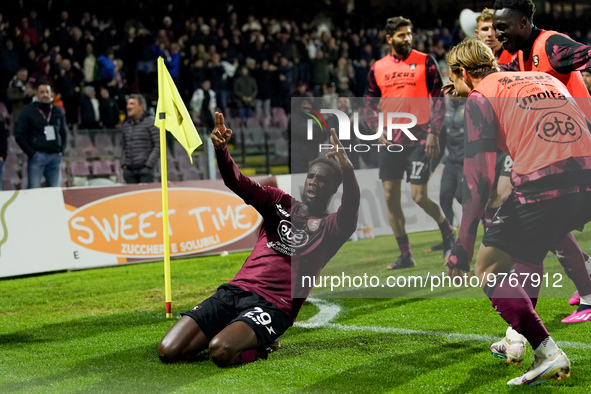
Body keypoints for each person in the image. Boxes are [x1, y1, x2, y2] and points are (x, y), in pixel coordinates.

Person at [158, 112, 360, 367]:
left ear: (333, 188)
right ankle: (229, 329)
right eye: (311, 176)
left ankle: (266, 343)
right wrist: (222, 150)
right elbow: (238, 182)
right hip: (235, 291)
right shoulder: (279, 202)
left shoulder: (332, 227)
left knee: (221, 352)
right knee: (168, 351)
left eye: (322, 179)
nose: (314, 182)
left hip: (274, 305)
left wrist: (347, 168)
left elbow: (351, 205)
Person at [445, 37, 591, 386]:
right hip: (586, 175)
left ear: (463, 73)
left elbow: (478, 178)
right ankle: (517, 336)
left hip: (546, 182)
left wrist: (462, 248)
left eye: (455, 78)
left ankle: (547, 351)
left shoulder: (481, 97)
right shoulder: (544, 77)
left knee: (488, 267)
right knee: (534, 248)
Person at [364, 16, 454, 269]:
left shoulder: (426, 61)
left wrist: (434, 133)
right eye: (401, 35)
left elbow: (439, 99)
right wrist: (376, 130)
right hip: (391, 140)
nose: (407, 38)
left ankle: (448, 232)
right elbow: (368, 105)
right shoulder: (377, 68)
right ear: (389, 38)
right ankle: (406, 254)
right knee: (390, 196)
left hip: (420, 138)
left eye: (409, 34)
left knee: (418, 195)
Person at [475, 8, 517, 229]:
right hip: (486, 140)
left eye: (494, 28)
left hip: (513, 139)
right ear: (477, 33)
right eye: (485, 29)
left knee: (505, 192)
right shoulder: (472, 65)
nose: (490, 34)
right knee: (488, 198)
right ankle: (495, 246)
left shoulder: (515, 56)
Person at [15, 82, 68, 188]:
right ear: (37, 95)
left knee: (55, 192)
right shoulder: (28, 111)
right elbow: (19, 135)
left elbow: (64, 132)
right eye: (42, 92)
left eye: (47, 92)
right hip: (37, 157)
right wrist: (32, 153)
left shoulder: (58, 111)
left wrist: (61, 150)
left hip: (55, 156)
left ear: (51, 94)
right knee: (34, 190)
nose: (45, 95)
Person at [121, 94, 159, 184]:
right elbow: (123, 146)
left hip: (145, 170)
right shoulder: (126, 125)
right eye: (127, 104)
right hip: (129, 171)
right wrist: (124, 164)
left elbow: (158, 145)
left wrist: (148, 165)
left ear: (141, 107)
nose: (128, 107)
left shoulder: (151, 123)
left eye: (132, 104)